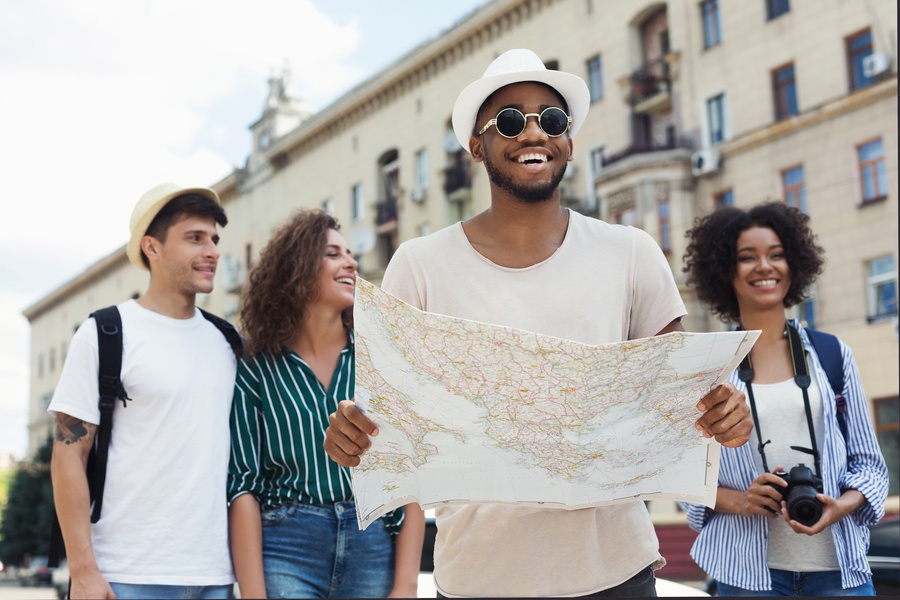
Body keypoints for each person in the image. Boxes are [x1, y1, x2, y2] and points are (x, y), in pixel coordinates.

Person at [323, 48, 753, 598]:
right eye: (508, 121)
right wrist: (354, 435)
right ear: (476, 145)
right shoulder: (419, 264)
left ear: (569, 141)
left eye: (550, 120)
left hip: (614, 571)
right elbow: (387, 420)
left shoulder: (631, 252)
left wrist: (724, 413)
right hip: (480, 578)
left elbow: (680, 399)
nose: (532, 133)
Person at [681, 201, 889, 596]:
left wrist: (838, 507)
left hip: (839, 570)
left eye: (776, 255)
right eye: (747, 257)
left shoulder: (832, 354)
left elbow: (871, 468)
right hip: (747, 575)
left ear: (795, 263)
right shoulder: (707, 371)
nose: (765, 266)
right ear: (725, 269)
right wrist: (743, 501)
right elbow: (686, 482)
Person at [49, 183, 237, 599]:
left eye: (214, 239)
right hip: (125, 575)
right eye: (194, 238)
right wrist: (83, 571)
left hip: (215, 575)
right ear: (152, 247)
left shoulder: (228, 342)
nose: (212, 251)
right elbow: (68, 453)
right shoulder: (104, 333)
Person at [227, 209, 424, 599]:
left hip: (373, 544)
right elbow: (243, 487)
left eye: (349, 253)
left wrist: (406, 585)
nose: (351, 261)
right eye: (332, 253)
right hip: (287, 546)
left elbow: (412, 473)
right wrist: (253, 594)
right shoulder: (255, 370)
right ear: (295, 268)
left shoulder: (380, 362)